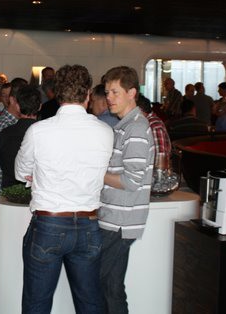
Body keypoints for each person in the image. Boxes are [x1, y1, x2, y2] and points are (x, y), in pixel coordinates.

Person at [15, 64, 113, 314]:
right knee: (90, 302)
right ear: (88, 93)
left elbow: (20, 172)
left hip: (49, 223)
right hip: (89, 224)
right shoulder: (105, 131)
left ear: (57, 94)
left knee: (37, 303)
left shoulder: (38, 131)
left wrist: (37, 175)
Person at [99, 66, 155, 314]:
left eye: (115, 92)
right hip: (116, 219)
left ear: (131, 93)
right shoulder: (126, 125)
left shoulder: (136, 129)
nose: (109, 98)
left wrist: (96, 173)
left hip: (120, 221)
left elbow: (132, 181)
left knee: (98, 283)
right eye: (107, 92)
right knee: (111, 287)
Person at [0, 85, 41, 191]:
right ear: (40, 106)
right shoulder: (44, 134)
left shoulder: (4, 133)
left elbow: (2, 165)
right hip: (35, 190)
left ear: (17, 106)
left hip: (9, 192)